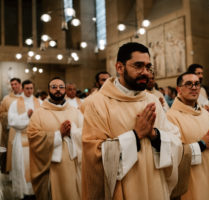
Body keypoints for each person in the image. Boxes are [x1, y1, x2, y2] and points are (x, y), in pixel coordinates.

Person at [81, 42, 190, 199]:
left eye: (148, 67)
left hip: (155, 185)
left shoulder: (152, 100)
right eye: (138, 66)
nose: (145, 72)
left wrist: (154, 135)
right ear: (120, 67)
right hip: (123, 189)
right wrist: (135, 135)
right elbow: (94, 154)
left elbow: (176, 141)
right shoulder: (97, 103)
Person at [167, 72, 209, 200]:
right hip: (190, 180)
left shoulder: (205, 113)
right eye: (188, 84)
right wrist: (203, 144)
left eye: (197, 84)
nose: (194, 87)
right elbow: (173, 154)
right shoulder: (171, 116)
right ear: (179, 89)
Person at [27, 77, 83, 200]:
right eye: (54, 87)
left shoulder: (75, 111)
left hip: (71, 164)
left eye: (61, 87)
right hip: (51, 166)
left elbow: (85, 133)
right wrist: (59, 135)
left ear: (65, 90)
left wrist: (72, 132)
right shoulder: (39, 113)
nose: (58, 89)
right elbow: (33, 136)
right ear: (48, 90)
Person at [7, 80, 41, 199]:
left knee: (36, 166)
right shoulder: (15, 104)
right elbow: (12, 121)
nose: (29, 91)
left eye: (31, 88)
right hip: (21, 140)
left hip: (37, 140)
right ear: (22, 88)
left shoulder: (39, 102)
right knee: (21, 167)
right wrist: (27, 116)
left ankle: (36, 191)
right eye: (27, 88)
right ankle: (24, 193)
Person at [0, 78, 22, 172]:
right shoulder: (6, 99)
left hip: (22, 131)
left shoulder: (25, 98)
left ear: (20, 84)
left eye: (15, 84)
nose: (13, 86)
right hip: (9, 130)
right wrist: (11, 117)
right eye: (12, 84)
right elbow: (1, 114)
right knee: (7, 151)